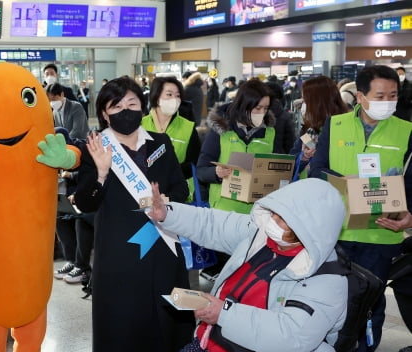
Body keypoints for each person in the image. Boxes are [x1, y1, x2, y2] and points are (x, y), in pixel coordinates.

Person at [147, 178, 348, 352]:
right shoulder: (261, 235)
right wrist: (167, 214)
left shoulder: (327, 280)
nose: (273, 222)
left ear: (310, 230)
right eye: (274, 213)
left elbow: (290, 335)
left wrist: (224, 313)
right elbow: (212, 224)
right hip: (211, 341)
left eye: (284, 220)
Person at [73, 76, 195, 351]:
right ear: (104, 114)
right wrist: (102, 173)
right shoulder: (95, 147)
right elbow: (84, 203)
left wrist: (165, 201)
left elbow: (180, 189)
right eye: (116, 107)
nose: (125, 111)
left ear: (142, 106)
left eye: (132, 103)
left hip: (162, 243)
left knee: (166, 315)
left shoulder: (161, 143)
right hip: (119, 251)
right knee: (122, 322)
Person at [309, 65, 412, 352]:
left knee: (370, 303)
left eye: (393, 95)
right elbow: (315, 170)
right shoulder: (336, 124)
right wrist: (342, 182)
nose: (387, 101)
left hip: (380, 235)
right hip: (336, 230)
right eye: (380, 95)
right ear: (361, 96)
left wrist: (410, 217)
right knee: (331, 300)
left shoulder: (407, 131)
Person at [197, 79, 281, 214]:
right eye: (258, 108)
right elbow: (201, 170)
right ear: (244, 105)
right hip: (223, 210)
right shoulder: (221, 130)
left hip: (257, 212)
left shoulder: (269, 133)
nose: (262, 113)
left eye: (265, 108)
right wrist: (216, 173)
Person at [141, 75, 201, 200]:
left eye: (178, 95)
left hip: (178, 195)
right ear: (156, 98)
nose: (174, 99)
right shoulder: (141, 125)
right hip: (144, 194)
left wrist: (167, 172)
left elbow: (194, 163)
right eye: (169, 94)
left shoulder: (188, 127)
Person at [52, 127, 94, 285]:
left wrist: (72, 177)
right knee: (59, 218)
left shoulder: (82, 150)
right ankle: (70, 260)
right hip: (67, 196)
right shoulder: (55, 155)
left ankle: (81, 266)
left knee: (80, 218)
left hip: (86, 195)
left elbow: (92, 175)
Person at [290, 76, 349, 177]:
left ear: (319, 102)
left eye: (305, 101)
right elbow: (291, 162)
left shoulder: (343, 127)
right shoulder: (308, 130)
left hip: (336, 188)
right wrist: (303, 157)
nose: (303, 105)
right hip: (306, 188)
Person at [265, 81, 296, 154]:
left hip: (258, 160)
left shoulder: (256, 113)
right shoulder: (285, 115)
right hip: (280, 159)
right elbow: (290, 143)